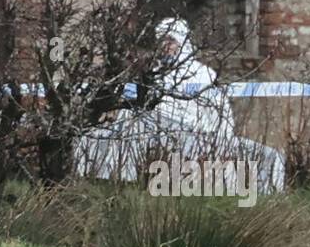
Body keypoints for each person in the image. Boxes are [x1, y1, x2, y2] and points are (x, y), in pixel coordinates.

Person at [77, 16, 286, 192]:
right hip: (155, 137)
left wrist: (220, 141)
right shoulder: (151, 75)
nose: (166, 46)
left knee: (265, 156)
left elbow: (219, 112)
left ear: (182, 41)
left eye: (171, 40)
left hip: (197, 136)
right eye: (162, 41)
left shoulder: (202, 74)